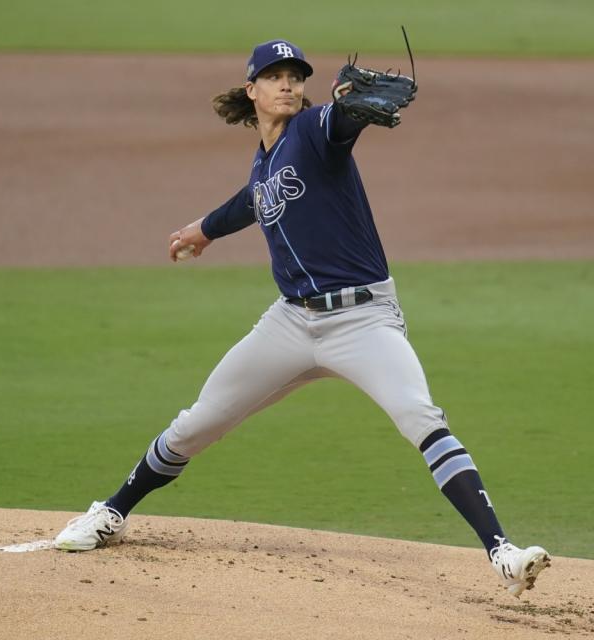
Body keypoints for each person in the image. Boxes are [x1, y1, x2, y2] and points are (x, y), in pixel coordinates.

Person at [54, 39, 550, 597]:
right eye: (274, 76)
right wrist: (204, 229)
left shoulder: (316, 130)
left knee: (420, 416)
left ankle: (502, 552)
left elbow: (340, 121)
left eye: (295, 75)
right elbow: (253, 197)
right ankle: (111, 513)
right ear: (252, 90)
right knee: (197, 423)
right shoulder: (266, 158)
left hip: (364, 321)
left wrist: (347, 108)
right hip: (290, 324)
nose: (288, 83)